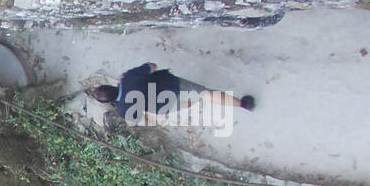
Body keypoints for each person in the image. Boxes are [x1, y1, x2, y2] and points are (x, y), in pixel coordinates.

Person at [90, 62, 256, 125]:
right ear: (110, 85)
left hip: (165, 105)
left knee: (190, 103)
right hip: (170, 84)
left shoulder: (124, 110)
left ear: (109, 102)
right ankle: (243, 104)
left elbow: (146, 122)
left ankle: (197, 103)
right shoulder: (128, 78)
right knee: (206, 93)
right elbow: (152, 66)